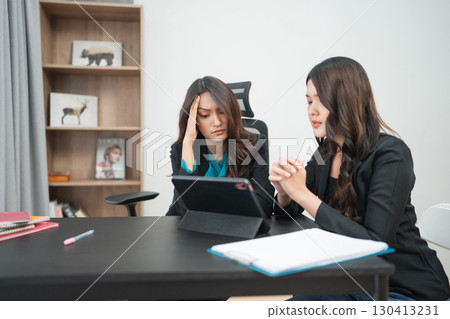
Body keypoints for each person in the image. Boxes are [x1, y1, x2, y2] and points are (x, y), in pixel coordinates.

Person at [270, 57, 449, 301]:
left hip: (405, 290)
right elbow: (285, 214)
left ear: (346, 100)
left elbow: (375, 244)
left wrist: (302, 193)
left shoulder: (391, 154)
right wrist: (284, 192)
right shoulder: (326, 152)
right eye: (309, 100)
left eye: (321, 100)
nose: (312, 110)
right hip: (356, 280)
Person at [167, 76, 274, 217]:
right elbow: (184, 211)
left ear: (232, 111)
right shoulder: (182, 150)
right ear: (193, 119)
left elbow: (264, 206)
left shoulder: (256, 145)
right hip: (192, 234)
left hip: (237, 230)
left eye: (222, 111)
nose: (217, 122)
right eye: (205, 115)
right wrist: (188, 142)